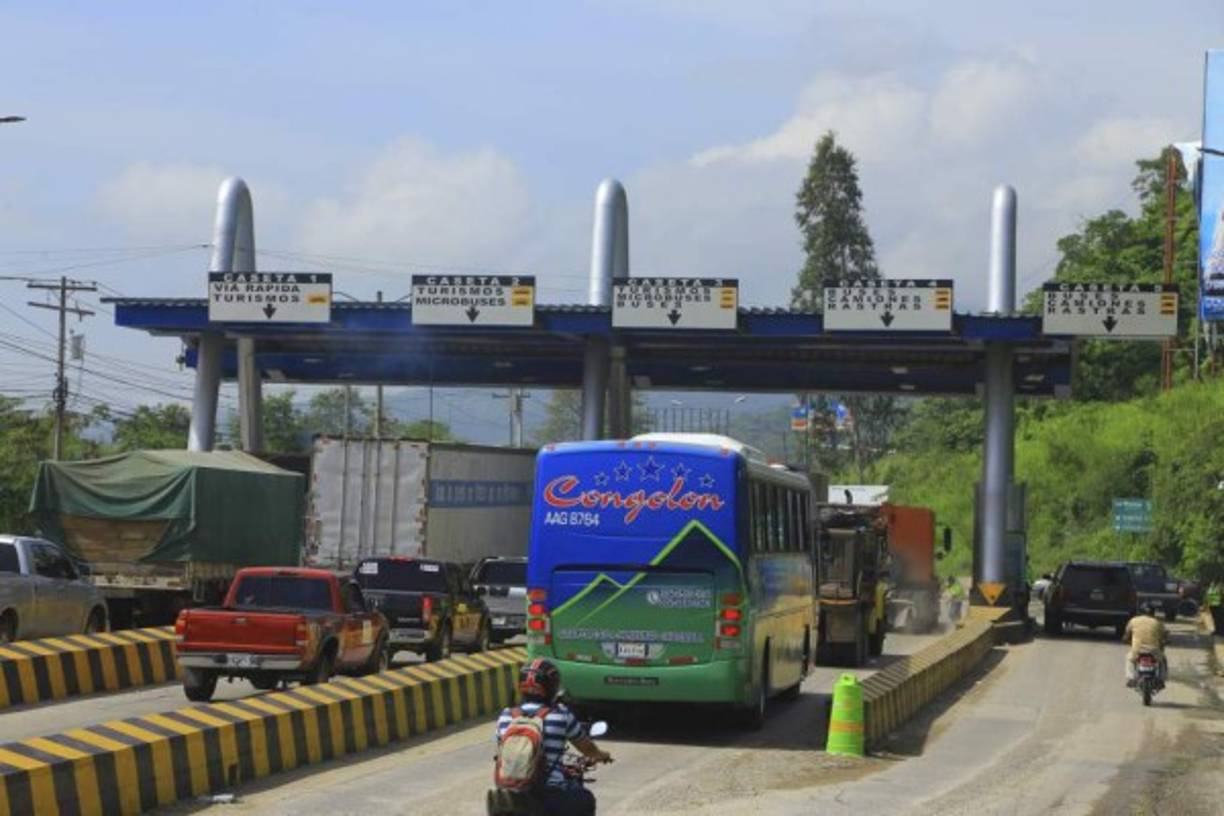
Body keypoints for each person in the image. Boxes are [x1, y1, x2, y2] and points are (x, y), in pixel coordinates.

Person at [495, 658, 612, 816]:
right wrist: (602, 755)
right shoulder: (560, 714)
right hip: (550, 793)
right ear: (552, 687)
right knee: (586, 799)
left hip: (510, 795)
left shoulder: (506, 716)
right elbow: (588, 749)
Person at [1123, 602, 1170, 687]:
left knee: (1129, 659)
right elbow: (1165, 636)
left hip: (1137, 650)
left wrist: (1127, 641)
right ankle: (1161, 680)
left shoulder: (1133, 621)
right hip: (1153, 651)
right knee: (1163, 660)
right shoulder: (1157, 623)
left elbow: (1126, 636)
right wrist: (1165, 641)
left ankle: (1131, 678)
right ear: (1153, 612)